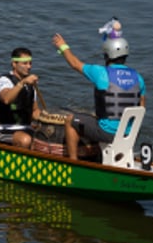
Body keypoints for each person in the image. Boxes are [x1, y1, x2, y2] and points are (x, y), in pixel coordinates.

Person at [51, 19, 146, 160]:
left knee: (71, 120)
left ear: (107, 55)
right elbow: (141, 108)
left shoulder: (101, 73)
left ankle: (73, 162)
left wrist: (63, 46)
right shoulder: (138, 78)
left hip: (107, 132)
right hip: (128, 133)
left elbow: (75, 64)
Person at [0, 48, 41, 148]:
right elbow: (6, 99)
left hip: (26, 128)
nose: (29, 67)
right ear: (14, 64)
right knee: (25, 140)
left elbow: (35, 111)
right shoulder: (4, 80)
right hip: (5, 129)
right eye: (25, 63)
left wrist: (48, 118)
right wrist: (22, 83)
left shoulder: (31, 86)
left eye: (30, 63)